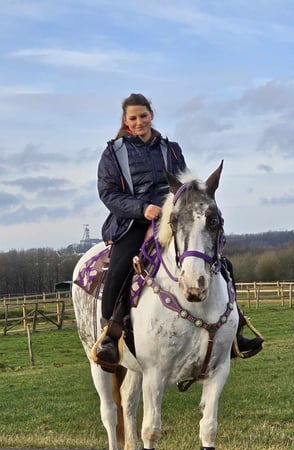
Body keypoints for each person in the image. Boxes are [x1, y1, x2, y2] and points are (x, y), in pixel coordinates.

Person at [93, 93, 263, 372]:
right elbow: (107, 192)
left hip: (174, 219)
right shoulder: (114, 152)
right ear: (125, 121)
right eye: (133, 118)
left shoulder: (171, 149)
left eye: (143, 116)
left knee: (221, 263)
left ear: (152, 115)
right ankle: (110, 335)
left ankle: (234, 329)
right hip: (133, 223)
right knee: (120, 267)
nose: (139, 122)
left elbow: (183, 185)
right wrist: (140, 208)